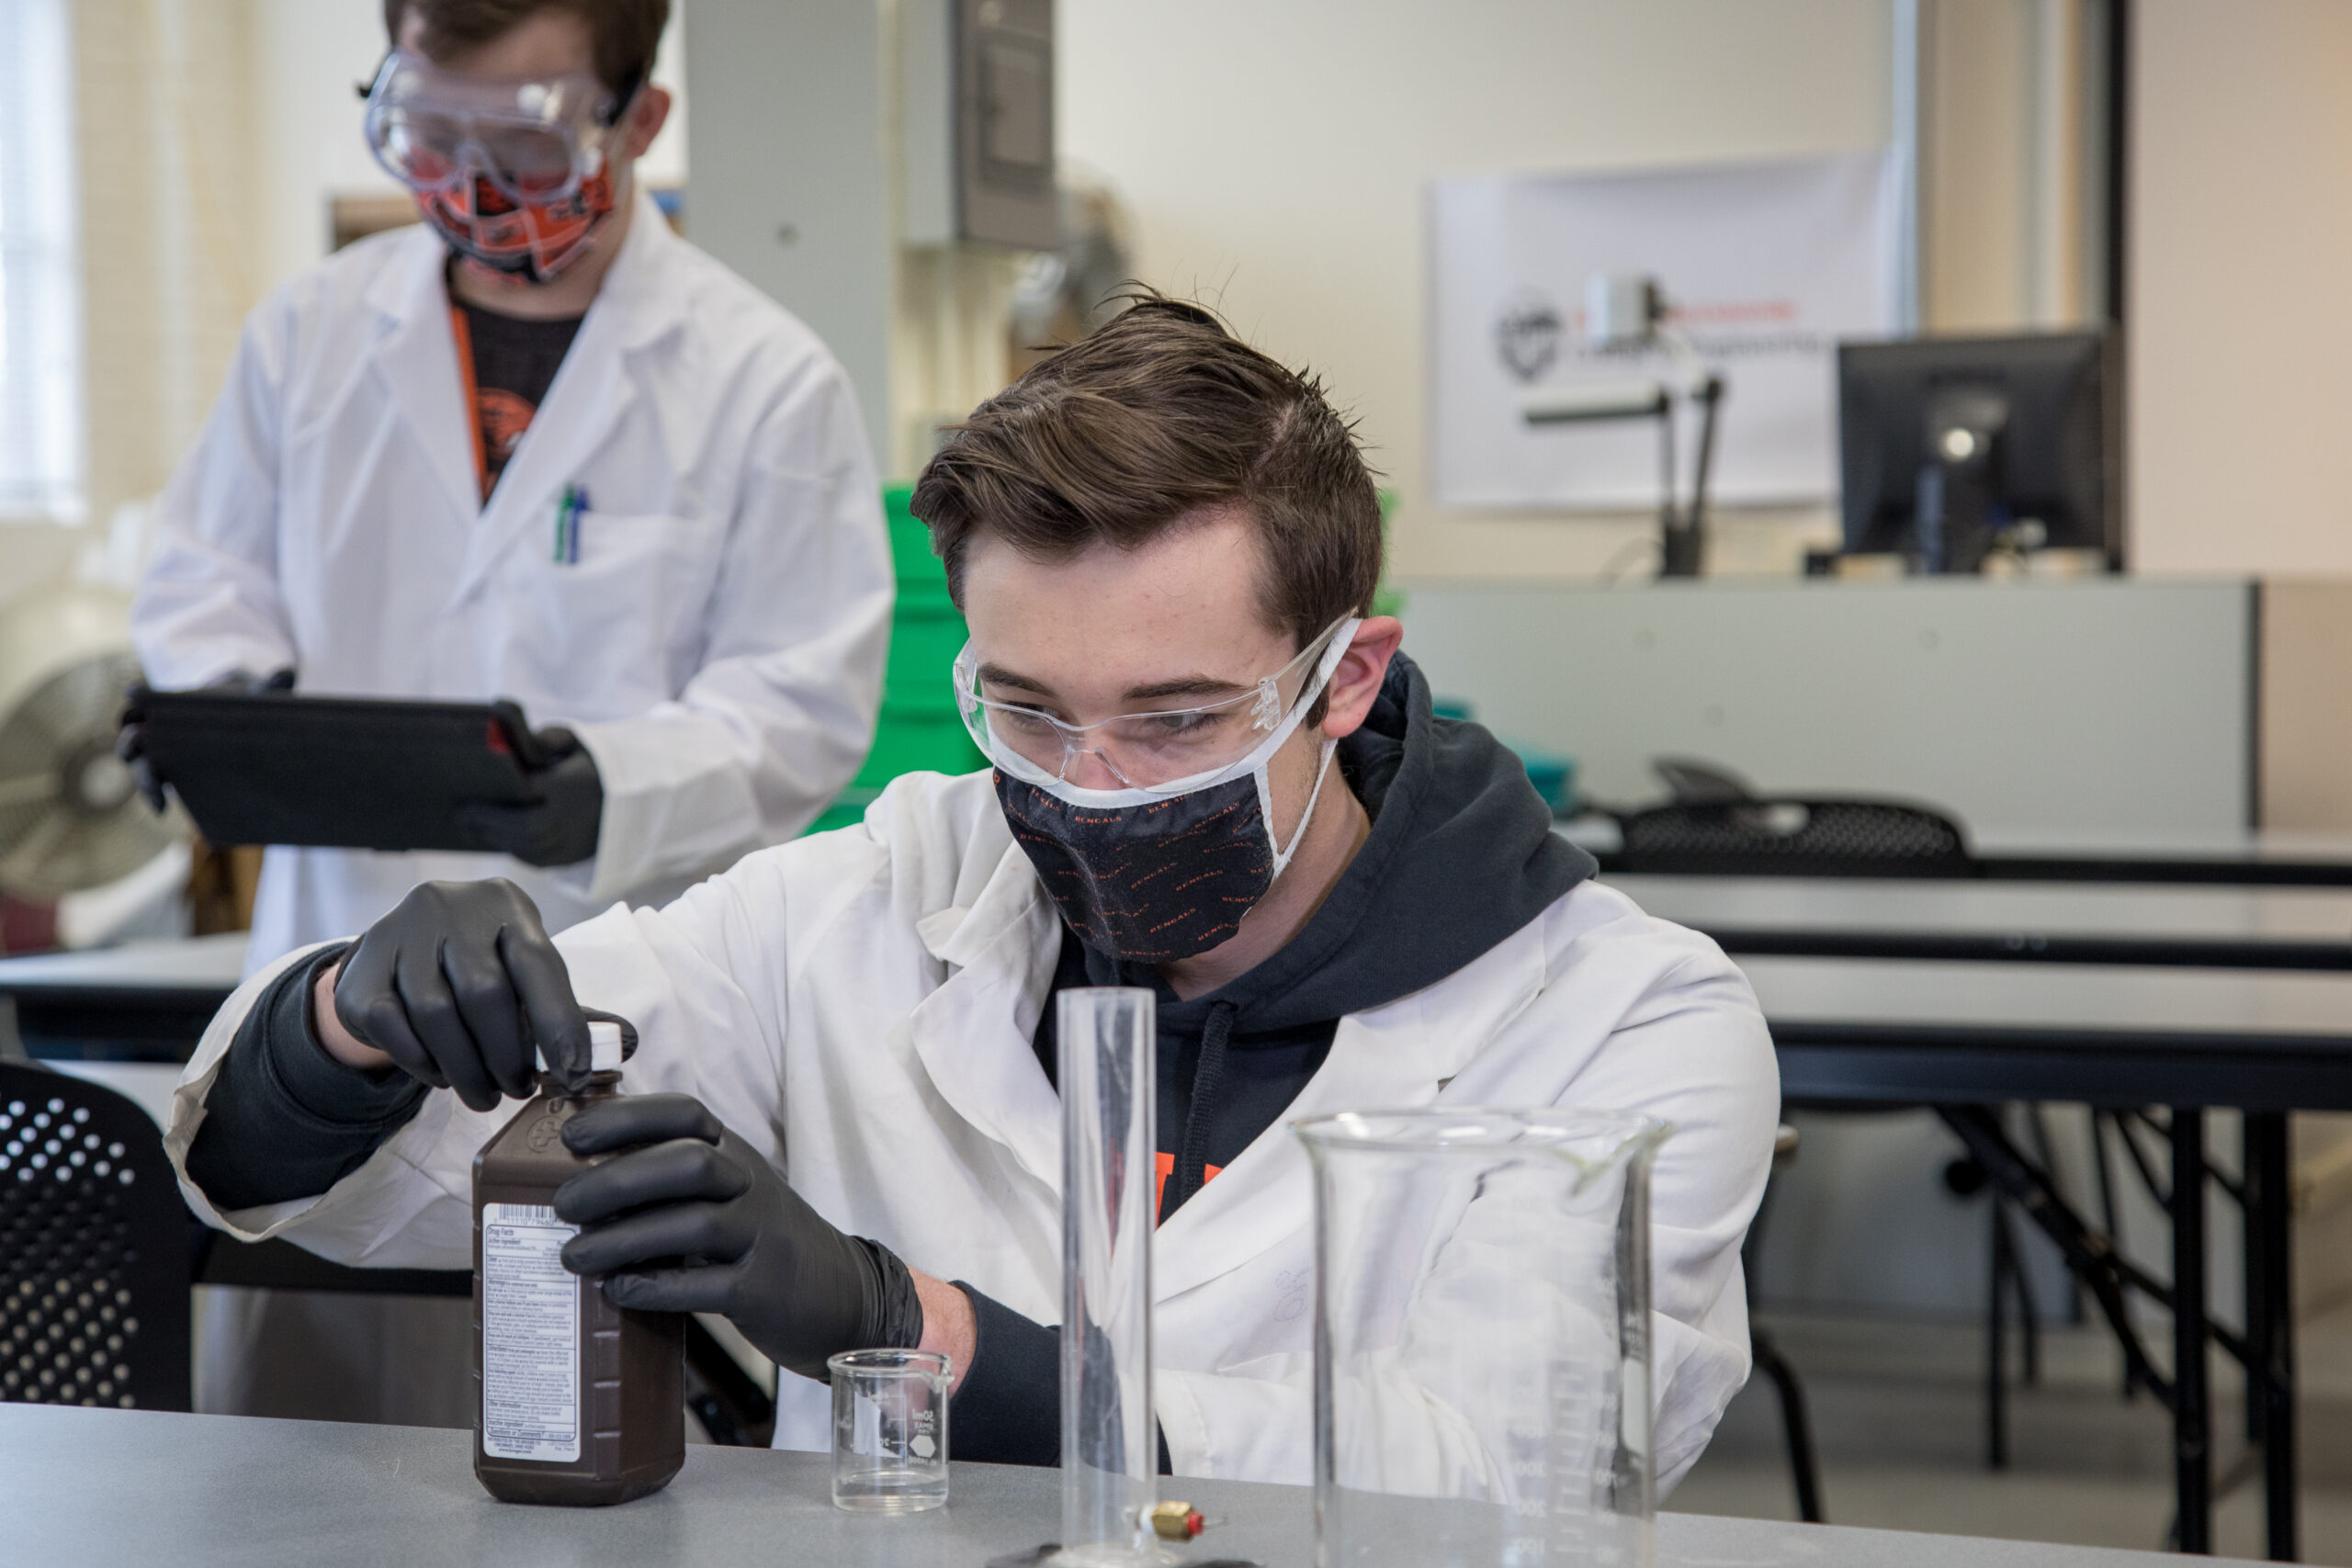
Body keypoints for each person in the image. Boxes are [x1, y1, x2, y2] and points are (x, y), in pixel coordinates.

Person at [165, 299, 1778, 1485]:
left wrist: (911, 1324)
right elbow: (352, 1192)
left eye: (1177, 718)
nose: (1092, 780)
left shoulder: (1625, 1019)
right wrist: (343, 1024)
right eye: (1028, 709)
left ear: (1344, 679)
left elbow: (1499, 1475)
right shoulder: (872, 901)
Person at [126, 0, 891, 974]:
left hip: (617, 965)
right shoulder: (306, 335)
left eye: (522, 142)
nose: (470, 182)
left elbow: (799, 706)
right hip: (333, 962)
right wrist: (230, 713)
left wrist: (611, 790)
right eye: (433, 132)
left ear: (639, 121)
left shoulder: (766, 380)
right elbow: (204, 581)